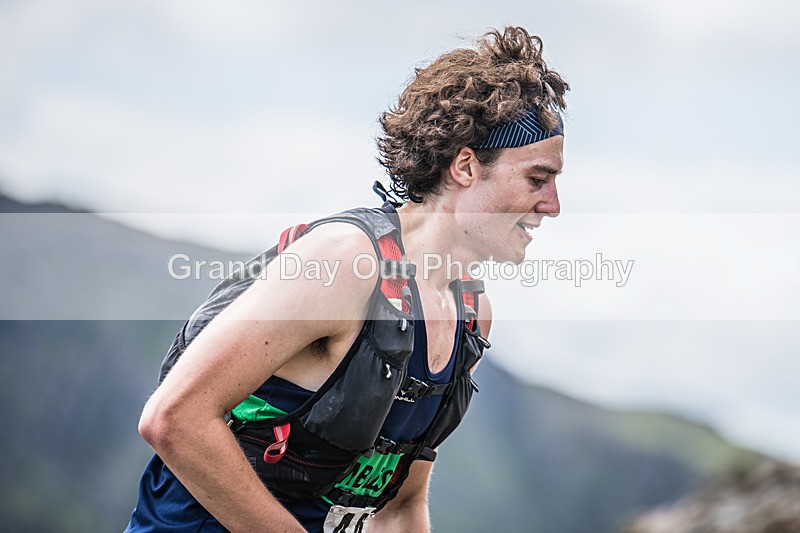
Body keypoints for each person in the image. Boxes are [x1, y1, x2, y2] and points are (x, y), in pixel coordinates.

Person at [126, 25, 568, 533]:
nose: (552, 206)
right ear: (466, 166)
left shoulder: (470, 313)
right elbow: (174, 419)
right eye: (538, 179)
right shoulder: (344, 263)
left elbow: (398, 509)